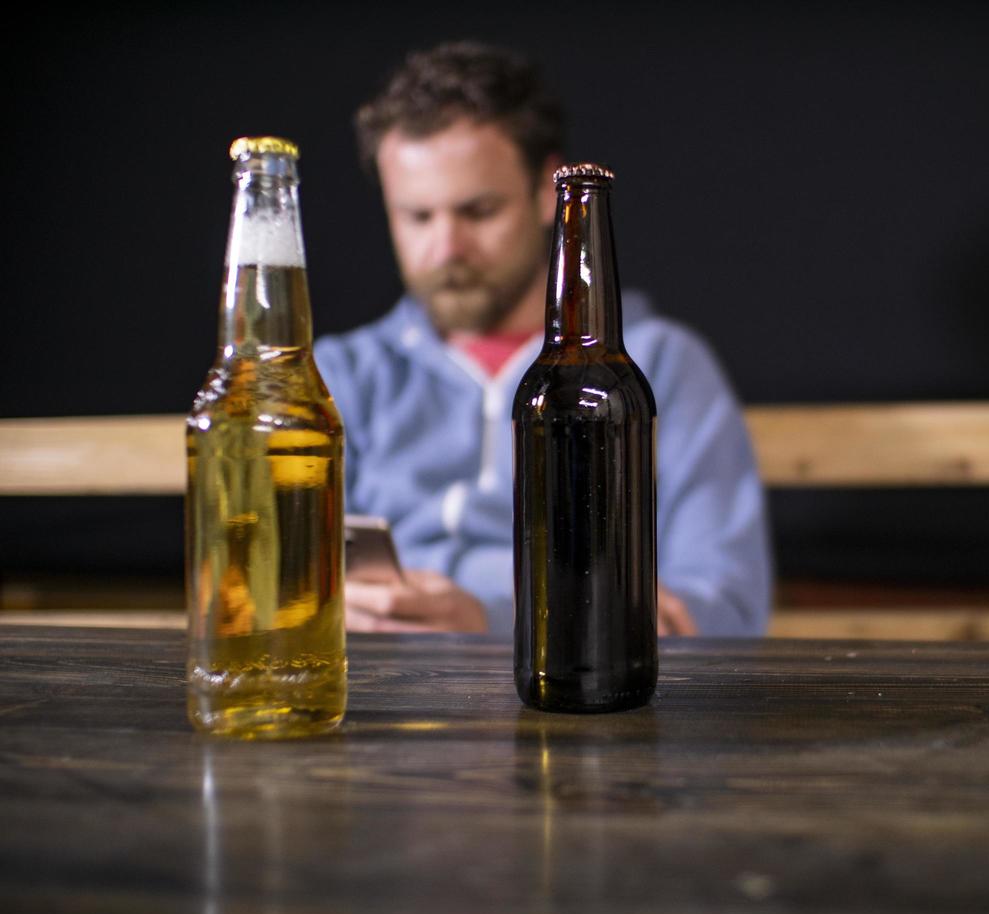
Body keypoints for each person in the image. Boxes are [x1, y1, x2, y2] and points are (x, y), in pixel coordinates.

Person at [315, 41, 771, 637]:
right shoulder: (342, 373)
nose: (446, 250)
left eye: (478, 211)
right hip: (384, 698)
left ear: (547, 193)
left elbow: (725, 608)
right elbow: (268, 586)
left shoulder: (660, 364)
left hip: (583, 698)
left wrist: (491, 621)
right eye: (417, 217)